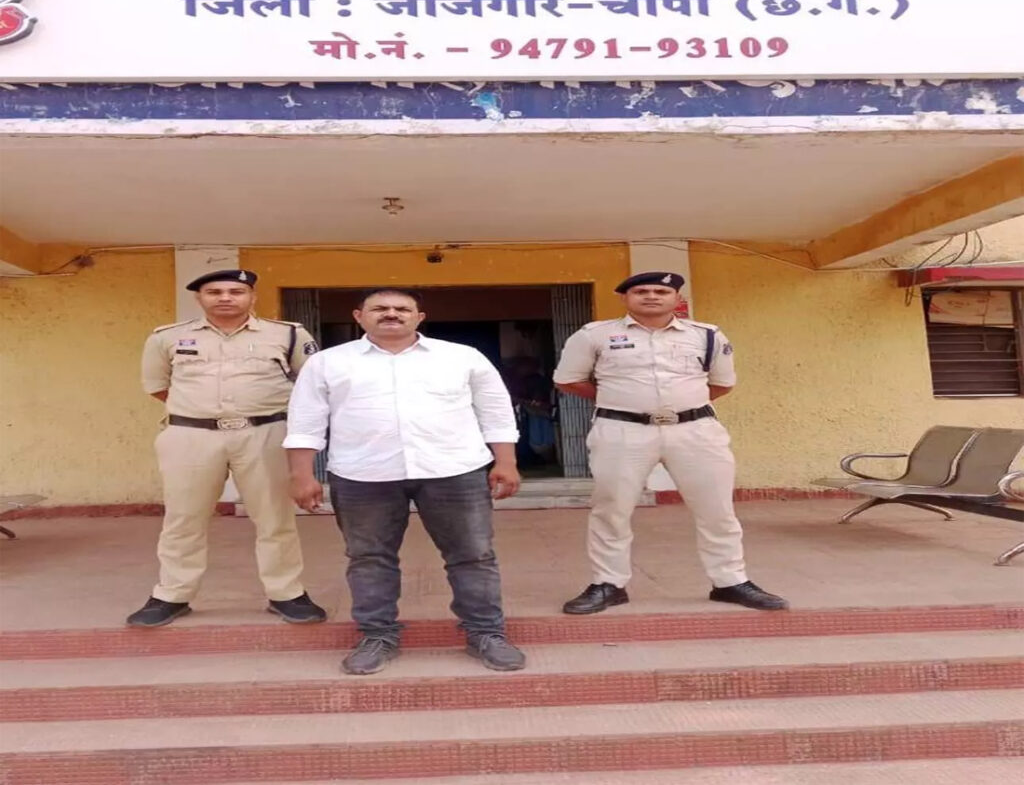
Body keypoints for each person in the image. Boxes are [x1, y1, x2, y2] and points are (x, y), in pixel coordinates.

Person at [284, 288, 527, 675]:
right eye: (380, 308)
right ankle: (377, 635)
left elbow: (496, 412)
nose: (391, 314)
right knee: (369, 559)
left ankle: (486, 633)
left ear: (419, 317)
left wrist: (506, 462)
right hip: (363, 474)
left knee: (473, 556)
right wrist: (302, 475)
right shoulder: (328, 363)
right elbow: (305, 421)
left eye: (402, 308)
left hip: (454, 470)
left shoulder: (461, 357)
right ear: (359, 316)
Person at [553, 271, 788, 615]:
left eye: (661, 291)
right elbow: (568, 380)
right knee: (611, 509)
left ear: (677, 299)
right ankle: (608, 584)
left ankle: (730, 581)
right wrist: (622, 400)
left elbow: (722, 384)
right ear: (625, 298)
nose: (651, 296)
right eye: (641, 291)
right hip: (621, 430)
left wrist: (680, 405)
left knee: (717, 509)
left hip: (695, 430)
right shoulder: (594, 335)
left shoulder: (707, 335)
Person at [128, 269, 326, 628]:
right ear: (199, 298)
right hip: (191, 436)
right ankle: (172, 594)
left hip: (266, 433)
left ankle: (286, 593)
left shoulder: (288, 334)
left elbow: (313, 384)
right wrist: (204, 412)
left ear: (252, 297)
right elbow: (157, 386)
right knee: (183, 519)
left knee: (275, 519)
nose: (225, 298)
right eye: (214, 291)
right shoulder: (167, 337)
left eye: (236, 291)